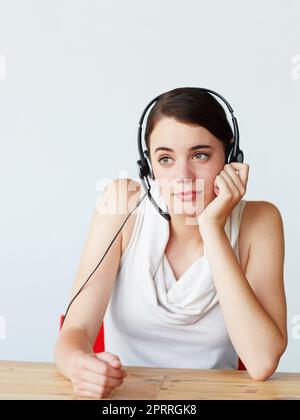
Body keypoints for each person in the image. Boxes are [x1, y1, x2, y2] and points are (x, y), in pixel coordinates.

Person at [54, 87, 287, 399]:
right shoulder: (123, 205)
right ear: (148, 166)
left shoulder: (260, 221)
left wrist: (212, 229)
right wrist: (79, 366)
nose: (183, 176)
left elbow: (261, 362)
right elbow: (74, 332)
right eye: (165, 159)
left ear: (231, 158)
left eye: (200, 155)